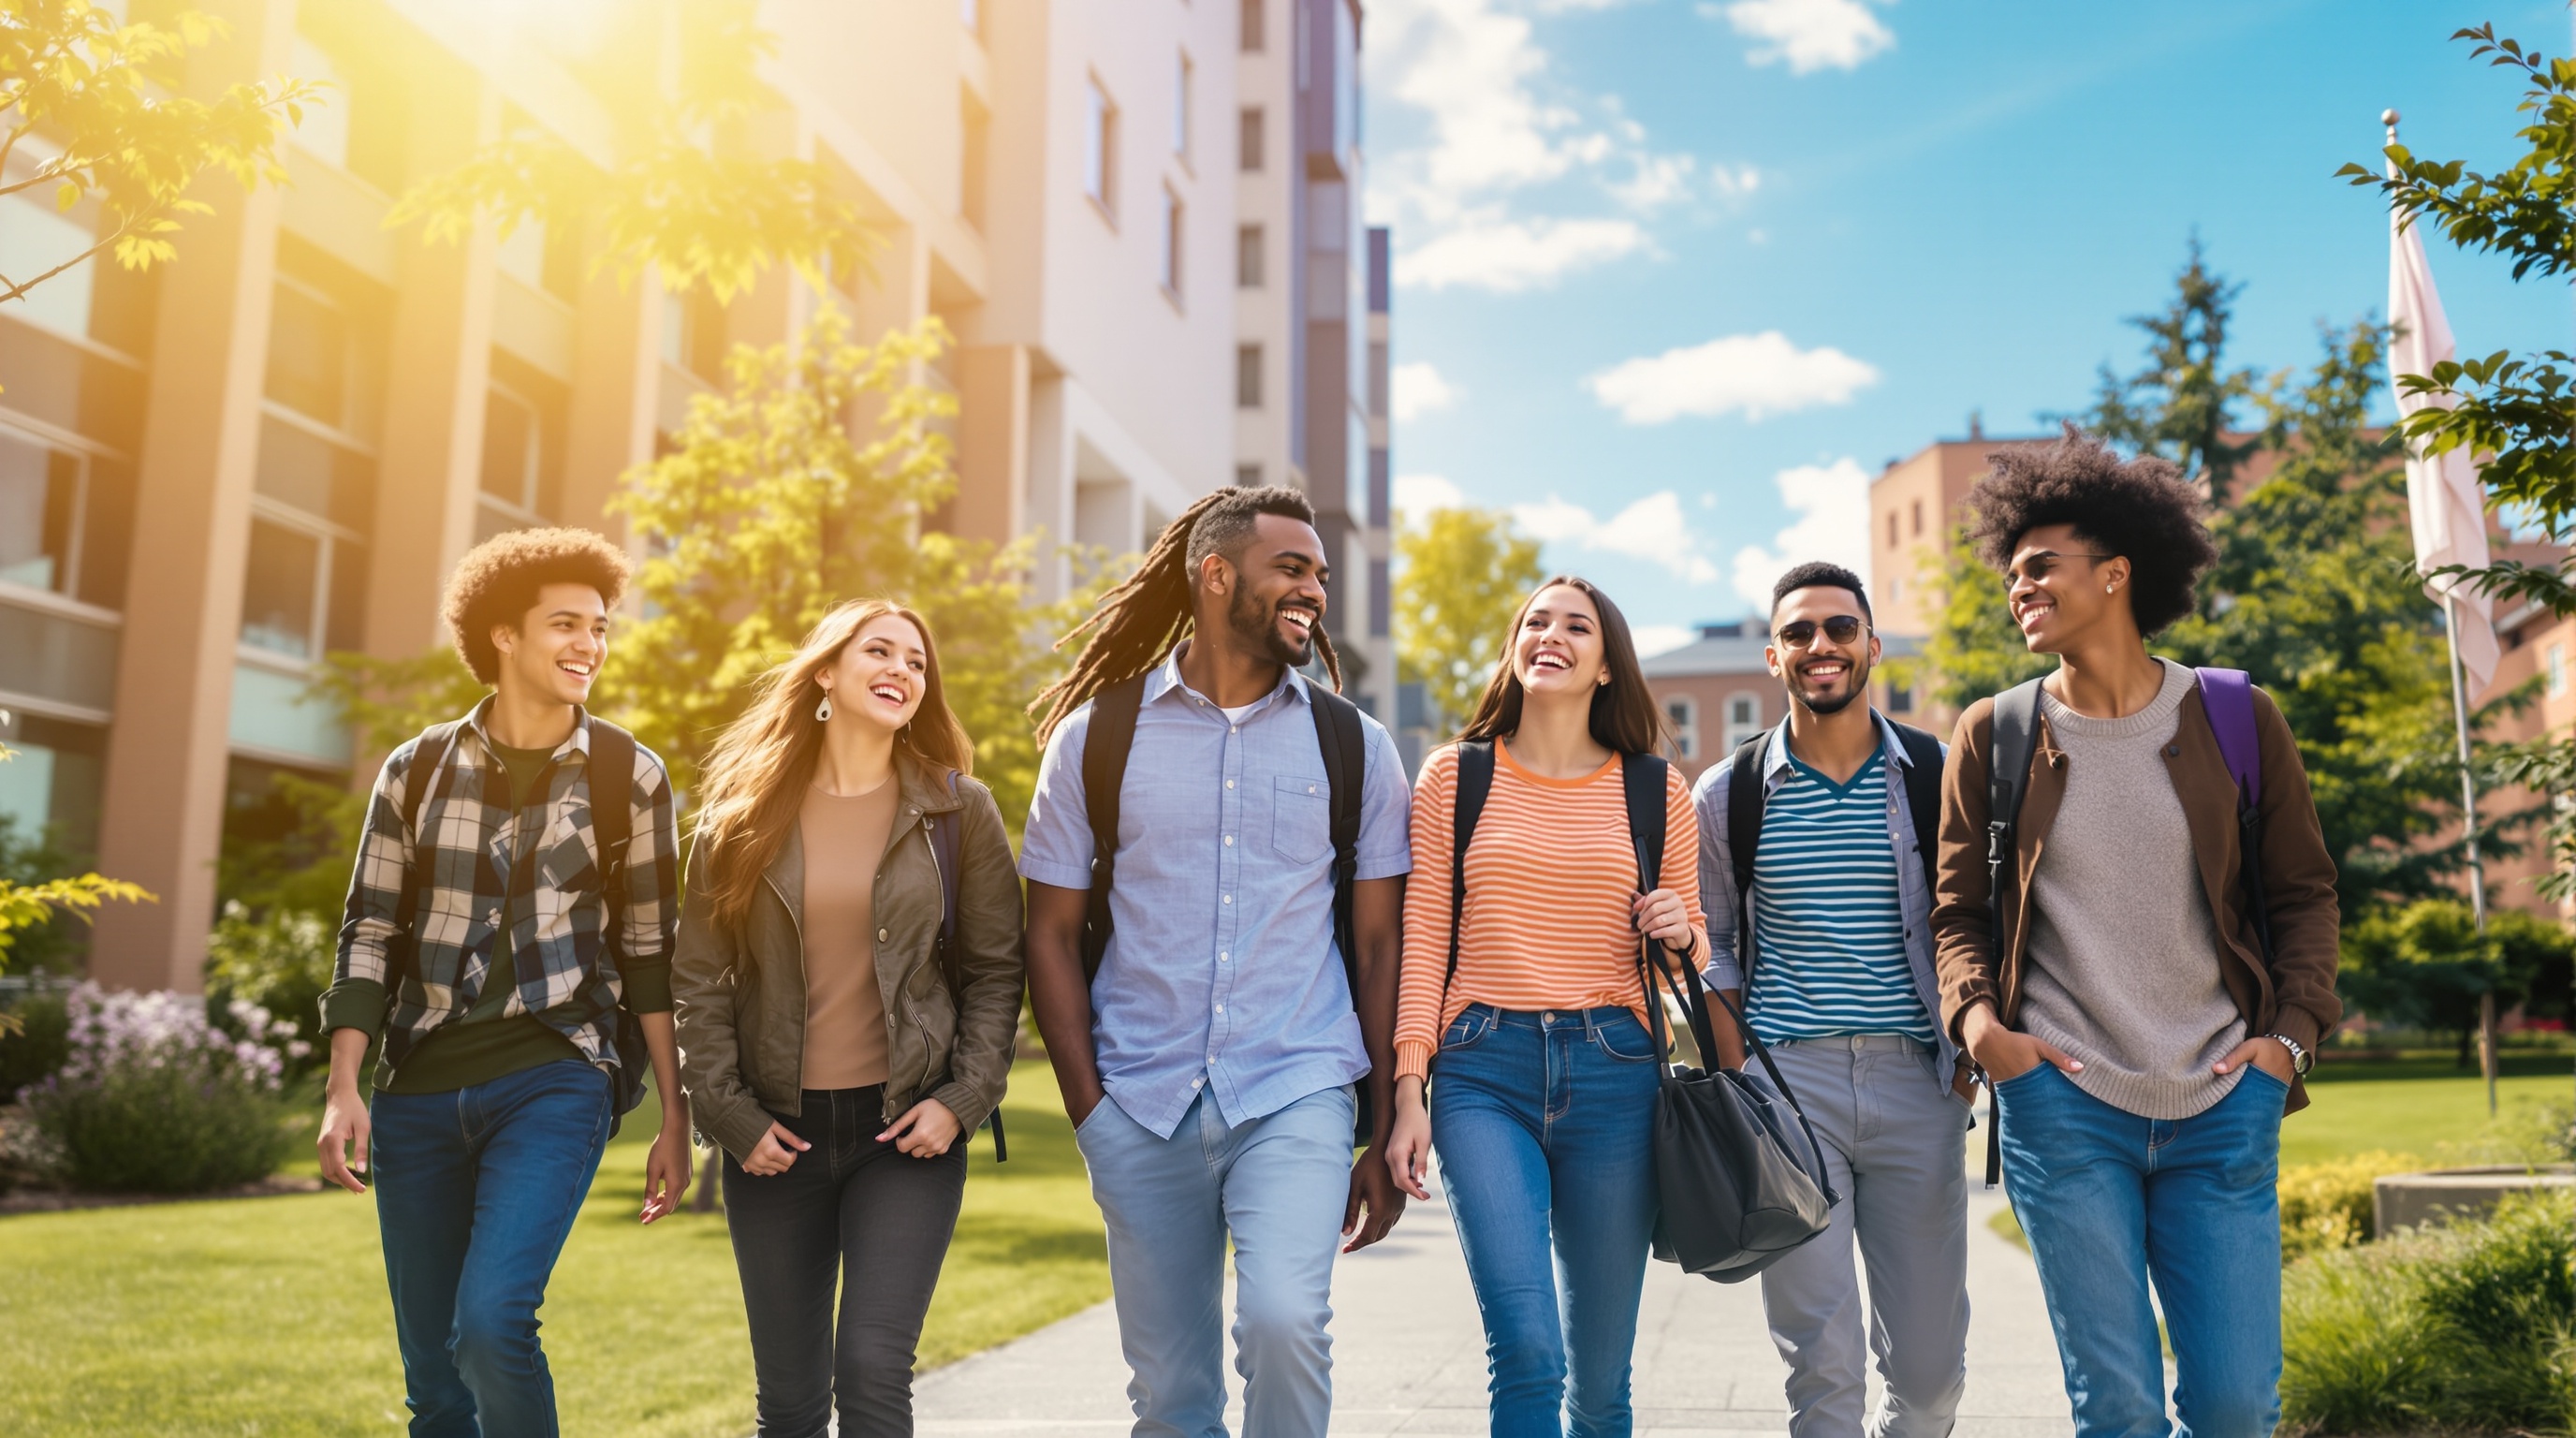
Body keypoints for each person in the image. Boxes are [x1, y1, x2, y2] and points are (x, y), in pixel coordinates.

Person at [1932, 428, 2342, 1438]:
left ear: (2114, 575)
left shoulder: (2237, 716)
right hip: (2063, 1112)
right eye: (2011, 574)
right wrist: (1982, 1030)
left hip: (2221, 1103)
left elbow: (2303, 896)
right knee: (2115, 1408)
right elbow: (1956, 914)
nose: (2018, 589)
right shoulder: (1997, 732)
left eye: (2041, 569)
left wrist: (2285, 1045)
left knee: (2239, 1405)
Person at [1019, 484, 1412, 1438]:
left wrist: (1384, 1121)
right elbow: (1048, 936)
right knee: (1171, 1394)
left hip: (1295, 1083)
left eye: (1319, 574)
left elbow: (1377, 945)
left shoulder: (1353, 746)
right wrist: (1089, 1111)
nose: (1314, 590)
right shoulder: (1094, 739)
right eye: (1292, 568)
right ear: (1216, 573)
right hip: (1139, 1099)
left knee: (1284, 1321)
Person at [315, 528, 692, 1438]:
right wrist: (343, 1087)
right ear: (503, 635)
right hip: (419, 1087)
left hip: (556, 1073)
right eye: (565, 624)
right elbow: (370, 928)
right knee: (434, 1380)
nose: (588, 646)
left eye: (599, 627)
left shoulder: (627, 777)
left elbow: (650, 953)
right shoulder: (416, 769)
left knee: (492, 1323)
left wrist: (676, 1117)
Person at [670, 599, 1024, 1437]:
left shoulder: (957, 810)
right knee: (790, 1405)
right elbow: (700, 979)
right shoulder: (739, 817)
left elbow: (995, 971)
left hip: (903, 1133)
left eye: (917, 660)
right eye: (880, 651)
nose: (904, 669)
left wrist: (963, 1099)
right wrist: (728, 1114)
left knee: (871, 1368)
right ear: (826, 671)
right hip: (772, 1140)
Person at [1384, 575, 1707, 1438]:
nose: (1551, 635)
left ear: (1607, 665)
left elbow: (1695, 948)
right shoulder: (1456, 775)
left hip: (1617, 1075)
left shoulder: (1655, 789)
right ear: (1514, 647)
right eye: (1535, 621)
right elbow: (1424, 937)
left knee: (1600, 1387)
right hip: (1480, 1068)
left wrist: (1678, 928)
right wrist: (1408, 1087)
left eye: (1577, 625)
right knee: (1528, 1350)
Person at [1690, 561, 1973, 1438]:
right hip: (1790, 1092)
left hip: (1916, 1087)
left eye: (1840, 629)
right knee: (1824, 1366)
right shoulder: (1728, 794)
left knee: (1929, 1376)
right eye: (1801, 632)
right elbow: (1716, 947)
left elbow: (1976, 925)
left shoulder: (1934, 772)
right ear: (1773, 657)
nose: (1822, 646)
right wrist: (1744, 1086)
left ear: (1872, 647)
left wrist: (1963, 1064)